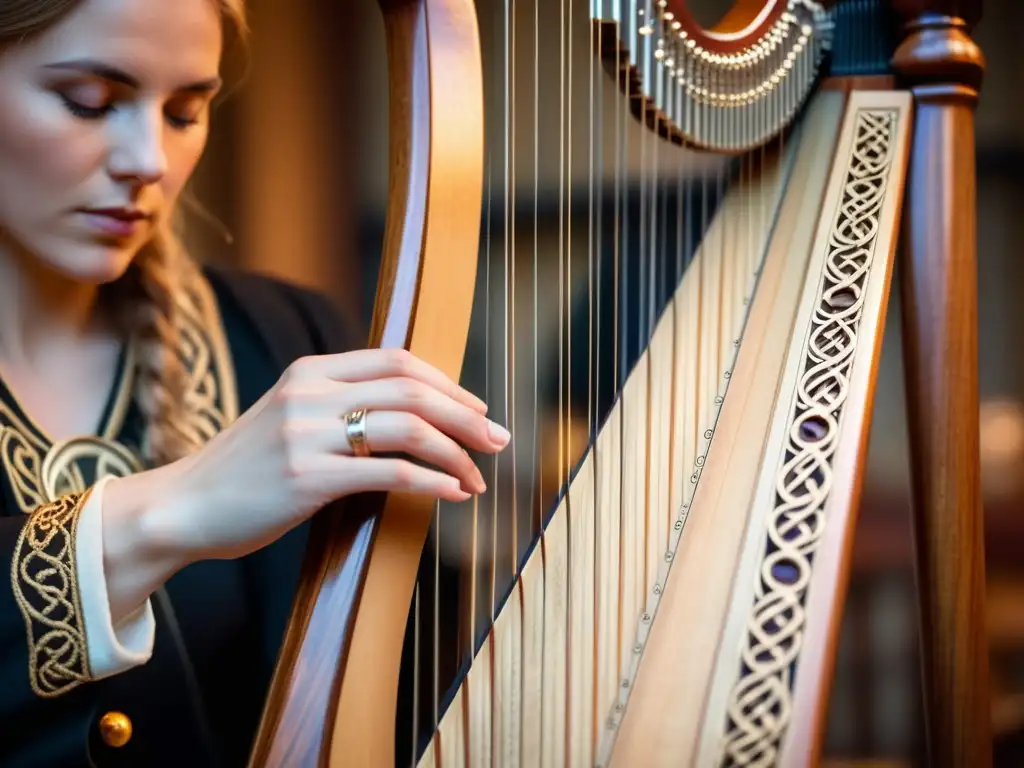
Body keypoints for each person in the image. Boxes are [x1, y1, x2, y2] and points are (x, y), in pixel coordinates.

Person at [0, 0, 510, 765]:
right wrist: (176, 506)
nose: (150, 160)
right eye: (91, 102)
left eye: (186, 110)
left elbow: (411, 692)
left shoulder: (291, 341)